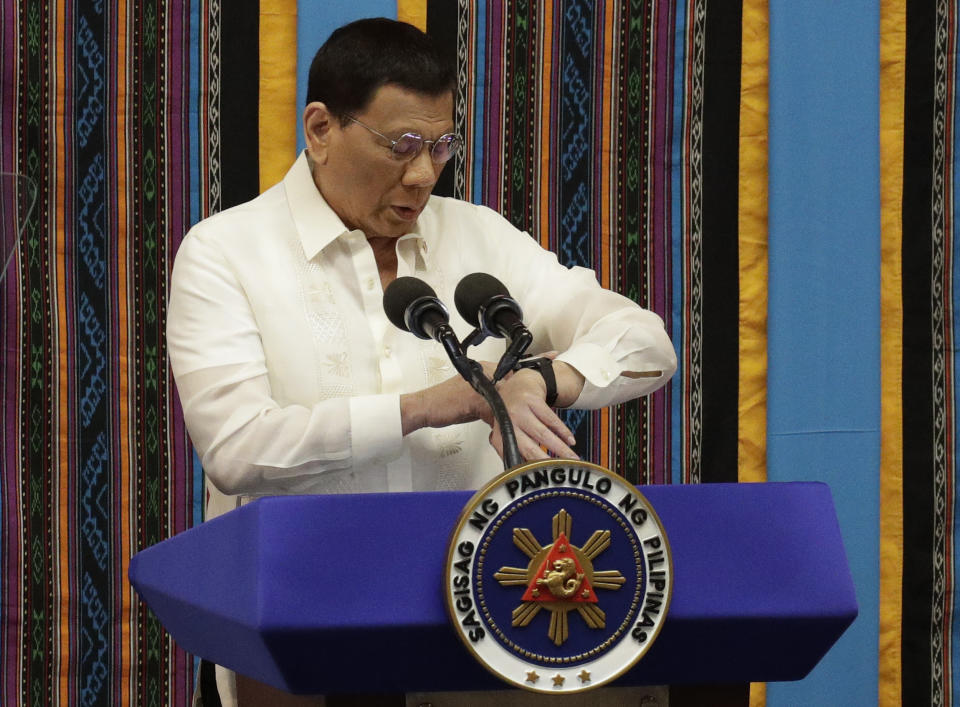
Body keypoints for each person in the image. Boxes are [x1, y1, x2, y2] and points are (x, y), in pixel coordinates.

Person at [167, 17, 677, 707]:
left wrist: (541, 377)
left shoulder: (478, 237)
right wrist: (427, 406)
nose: (422, 175)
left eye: (441, 146)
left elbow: (646, 342)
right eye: (400, 145)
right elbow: (236, 446)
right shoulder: (225, 253)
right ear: (320, 128)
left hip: (484, 624)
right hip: (300, 629)